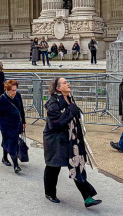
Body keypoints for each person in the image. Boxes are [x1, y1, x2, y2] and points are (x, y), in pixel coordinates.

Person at [43, 77, 101, 207]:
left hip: (71, 140)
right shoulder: (53, 102)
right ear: (58, 88)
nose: (68, 84)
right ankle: (50, 193)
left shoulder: (69, 98)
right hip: (55, 140)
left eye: (68, 82)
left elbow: (74, 120)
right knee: (53, 167)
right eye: (64, 83)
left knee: (77, 167)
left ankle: (87, 198)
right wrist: (70, 112)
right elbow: (55, 124)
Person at [0, 79, 26, 173]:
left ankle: (4, 157)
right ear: (7, 90)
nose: (14, 92)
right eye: (12, 91)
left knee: (8, 141)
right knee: (12, 144)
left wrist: (23, 121)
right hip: (6, 125)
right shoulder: (2, 99)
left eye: (15, 90)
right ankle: (16, 165)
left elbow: (21, 109)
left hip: (16, 124)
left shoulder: (18, 96)